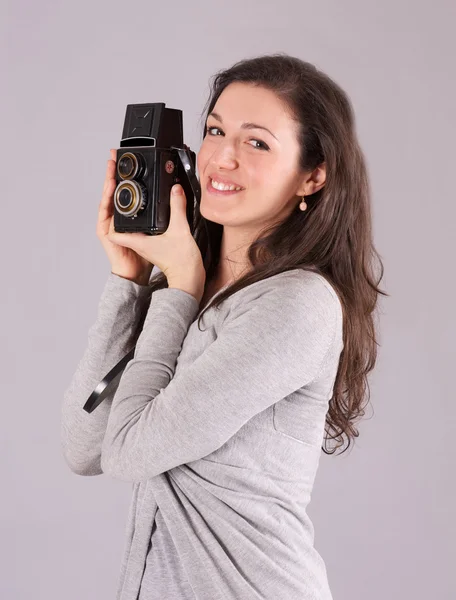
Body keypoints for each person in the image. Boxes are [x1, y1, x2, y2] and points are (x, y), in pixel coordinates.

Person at [61, 53, 386, 600]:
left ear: (313, 175)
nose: (222, 157)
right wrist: (130, 281)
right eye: (215, 130)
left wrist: (181, 286)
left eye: (256, 142)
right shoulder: (180, 287)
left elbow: (128, 452)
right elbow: (84, 446)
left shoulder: (298, 304)